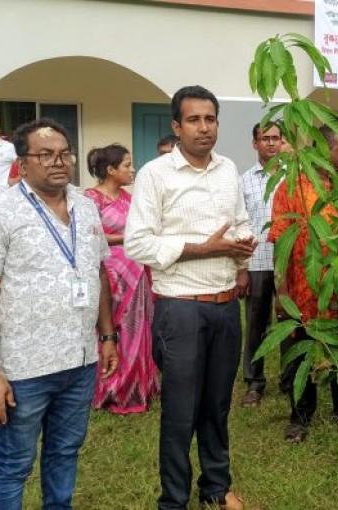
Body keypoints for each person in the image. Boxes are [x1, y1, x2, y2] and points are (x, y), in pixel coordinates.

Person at [0, 118, 118, 508]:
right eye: (44, 154)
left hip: (80, 362)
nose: (58, 162)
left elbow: (97, 270)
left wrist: (108, 335)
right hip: (24, 370)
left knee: (65, 452)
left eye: (64, 153)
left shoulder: (86, 207)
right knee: (14, 462)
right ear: (22, 163)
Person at [125, 85, 254, 510]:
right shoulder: (154, 174)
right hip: (179, 308)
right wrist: (205, 248)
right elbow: (138, 244)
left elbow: (238, 222)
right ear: (176, 126)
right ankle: (174, 501)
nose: (204, 127)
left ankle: (216, 488)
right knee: (180, 414)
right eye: (194, 120)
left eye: (210, 119)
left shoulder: (227, 169)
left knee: (217, 407)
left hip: (224, 307)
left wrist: (240, 249)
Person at [269, 125, 338, 444]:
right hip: (302, 289)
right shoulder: (290, 189)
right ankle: (301, 416)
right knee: (303, 353)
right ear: (321, 150)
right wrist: (281, 289)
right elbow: (279, 242)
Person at [85, 144, 159, 414]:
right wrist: (128, 239)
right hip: (108, 275)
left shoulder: (131, 199)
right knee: (107, 332)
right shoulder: (90, 200)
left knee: (136, 331)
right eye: (127, 165)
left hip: (137, 275)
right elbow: (90, 237)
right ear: (110, 170)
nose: (132, 170)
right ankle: (108, 388)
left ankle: (135, 388)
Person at [239, 122, 281, 408]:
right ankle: (254, 382)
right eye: (264, 138)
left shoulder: (294, 179)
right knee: (256, 325)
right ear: (254, 144)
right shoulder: (243, 181)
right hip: (257, 263)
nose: (270, 143)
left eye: (275, 138)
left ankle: (291, 382)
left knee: (291, 325)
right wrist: (240, 268)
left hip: (289, 265)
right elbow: (239, 226)